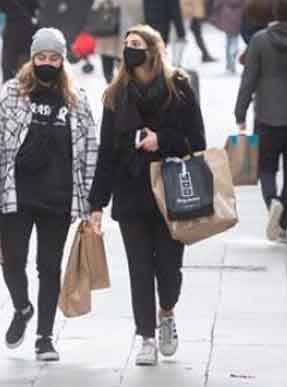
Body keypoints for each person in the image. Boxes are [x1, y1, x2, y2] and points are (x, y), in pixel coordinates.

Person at [89, 25, 204, 367]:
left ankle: (166, 312)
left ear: (153, 49)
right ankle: (146, 337)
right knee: (140, 269)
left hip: (171, 193)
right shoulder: (116, 93)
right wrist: (96, 204)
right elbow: (106, 152)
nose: (129, 50)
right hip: (130, 192)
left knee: (169, 268)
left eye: (136, 44)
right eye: (126, 45)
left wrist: (162, 140)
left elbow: (196, 140)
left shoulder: (178, 86)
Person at [0, 28, 97, 362]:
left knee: (49, 267)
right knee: (12, 260)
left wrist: (93, 202)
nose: (47, 63)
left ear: (62, 60)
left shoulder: (76, 99)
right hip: (16, 193)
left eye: (54, 58)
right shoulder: (12, 93)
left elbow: (90, 149)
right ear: (32, 58)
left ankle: (45, 336)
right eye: (42, 57)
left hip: (58, 194)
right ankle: (23, 307)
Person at [234, 0, 287, 243]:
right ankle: (282, 224)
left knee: (266, 168)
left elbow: (248, 79)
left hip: (266, 114)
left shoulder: (259, 41)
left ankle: (272, 203)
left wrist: (240, 113)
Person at [93, 0, 146, 82]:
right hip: (127, 37)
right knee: (124, 68)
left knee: (107, 64)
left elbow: (96, 7)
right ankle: (121, 87)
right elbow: (141, 18)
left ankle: (109, 84)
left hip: (108, 34)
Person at [0, 0, 41, 82]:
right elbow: (35, 6)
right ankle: (25, 81)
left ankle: (8, 82)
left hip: (10, 26)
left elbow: (0, 6)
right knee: (25, 56)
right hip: (26, 26)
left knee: (9, 57)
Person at [209, 0, 246, 74]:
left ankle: (229, 63)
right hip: (238, 20)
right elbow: (245, 6)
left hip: (226, 19)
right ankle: (232, 61)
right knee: (235, 41)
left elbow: (216, 4)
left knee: (228, 41)